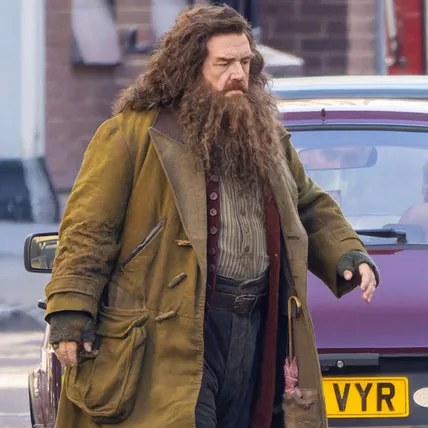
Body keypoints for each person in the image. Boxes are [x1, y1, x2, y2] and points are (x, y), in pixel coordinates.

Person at [44, 5, 379, 428]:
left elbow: (307, 203)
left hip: (254, 327)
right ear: (189, 67)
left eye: (245, 62)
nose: (238, 74)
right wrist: (71, 310)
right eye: (224, 63)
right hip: (170, 335)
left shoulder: (265, 134)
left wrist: (347, 253)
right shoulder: (130, 135)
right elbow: (89, 230)